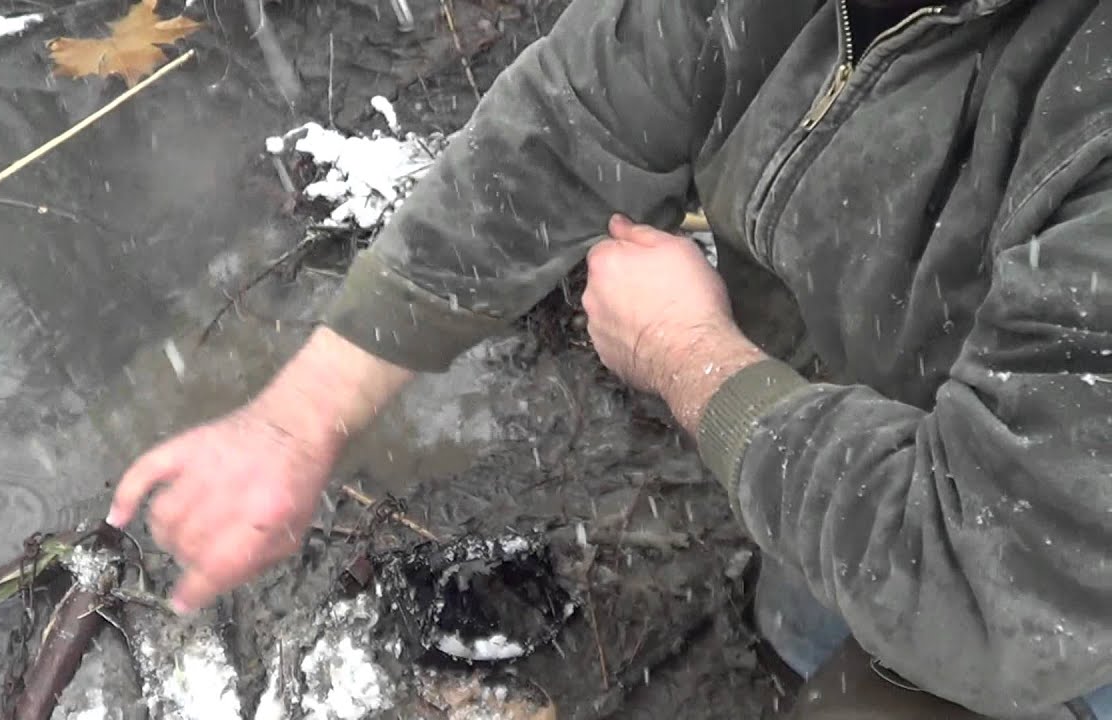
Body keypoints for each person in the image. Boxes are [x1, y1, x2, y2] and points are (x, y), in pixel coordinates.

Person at [105, 0, 1112, 716]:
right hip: (855, 424)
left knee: (892, 667)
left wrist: (688, 357)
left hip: (1059, 600)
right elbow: (561, 127)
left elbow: (994, 577)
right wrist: (298, 419)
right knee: (809, 606)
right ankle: (791, 645)